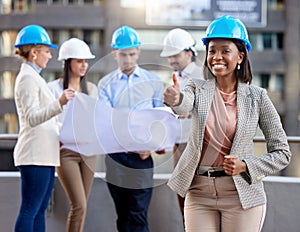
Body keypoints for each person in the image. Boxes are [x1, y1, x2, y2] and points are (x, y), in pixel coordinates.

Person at [163, 15, 292, 232]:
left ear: (240, 56)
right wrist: (175, 100)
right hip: (199, 193)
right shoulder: (195, 88)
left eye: (225, 50)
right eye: (212, 51)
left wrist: (246, 165)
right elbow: (184, 105)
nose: (216, 57)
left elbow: (282, 153)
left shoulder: (257, 97)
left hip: (240, 193)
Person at [97, 25, 164, 232]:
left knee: (138, 213)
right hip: (116, 157)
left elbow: (161, 120)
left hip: (142, 158)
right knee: (123, 215)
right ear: (115, 54)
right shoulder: (105, 84)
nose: (127, 59)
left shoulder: (152, 82)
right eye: (123, 54)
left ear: (139, 53)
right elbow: (106, 122)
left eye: (132, 54)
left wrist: (151, 144)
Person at [13, 25, 75, 232]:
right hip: (34, 156)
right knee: (30, 209)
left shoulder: (35, 77)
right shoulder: (27, 79)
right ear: (34, 52)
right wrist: (60, 103)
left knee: (39, 211)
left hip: (45, 155)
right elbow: (32, 117)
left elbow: (45, 120)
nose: (50, 56)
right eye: (47, 51)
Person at [47, 38, 98, 232]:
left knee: (82, 206)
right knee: (79, 205)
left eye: (86, 61)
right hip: (66, 152)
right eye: (79, 61)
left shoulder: (92, 90)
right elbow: (49, 120)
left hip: (88, 153)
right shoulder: (53, 89)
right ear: (68, 63)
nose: (84, 65)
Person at [160, 28, 203, 217]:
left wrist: (187, 108)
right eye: (169, 57)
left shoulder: (203, 76)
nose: (171, 60)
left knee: (196, 196)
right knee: (182, 195)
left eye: (175, 55)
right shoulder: (176, 78)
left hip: (196, 144)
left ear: (189, 53)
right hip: (178, 143)